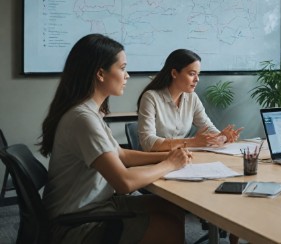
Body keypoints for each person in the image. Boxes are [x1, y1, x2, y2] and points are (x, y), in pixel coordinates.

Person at [40, 34, 191, 244]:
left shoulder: (90, 113)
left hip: (97, 205)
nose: (127, 75)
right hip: (75, 223)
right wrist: (169, 164)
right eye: (122, 68)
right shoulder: (83, 119)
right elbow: (124, 182)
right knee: (168, 227)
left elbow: (120, 155)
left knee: (171, 207)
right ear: (101, 74)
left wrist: (168, 156)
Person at [137, 49, 243, 152]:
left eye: (198, 74)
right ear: (174, 73)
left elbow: (207, 127)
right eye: (192, 74)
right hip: (156, 161)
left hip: (181, 157)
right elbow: (148, 142)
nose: (197, 79)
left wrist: (222, 137)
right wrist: (192, 142)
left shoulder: (192, 97)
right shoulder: (150, 97)